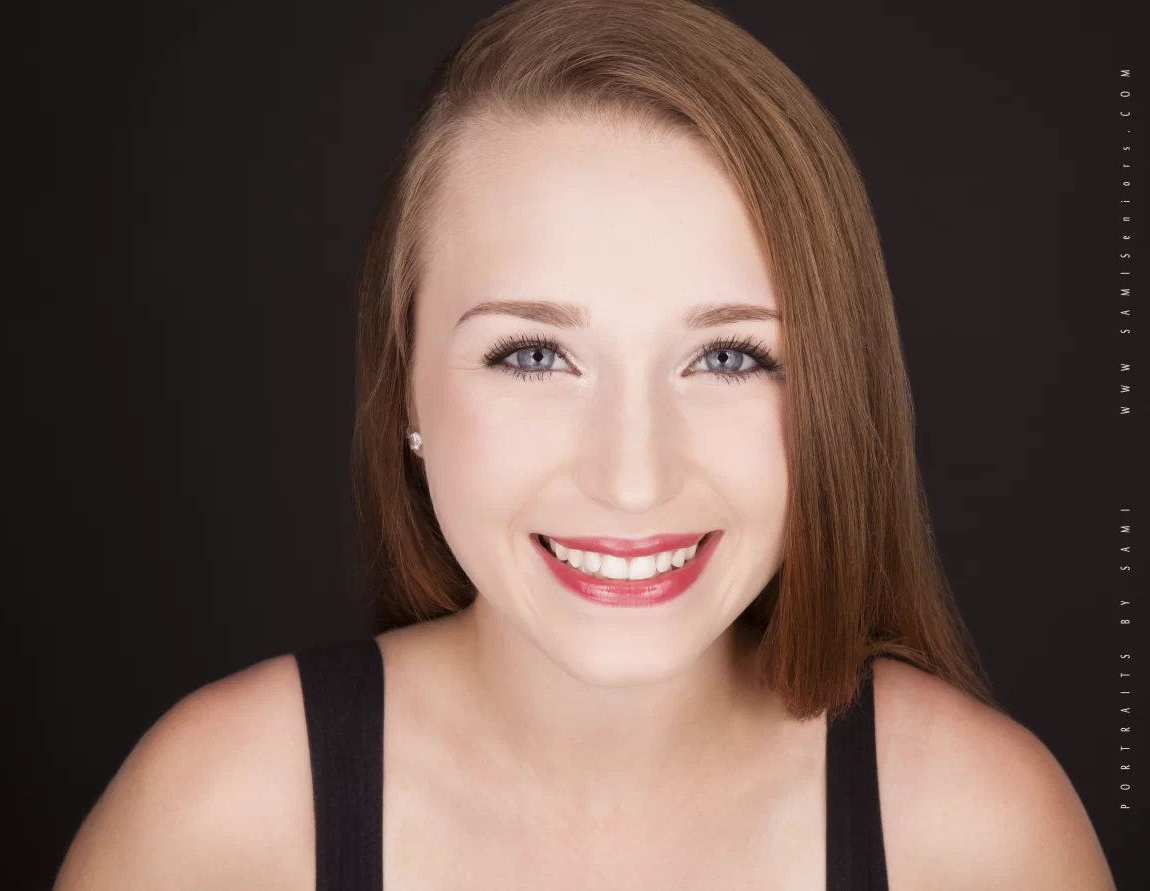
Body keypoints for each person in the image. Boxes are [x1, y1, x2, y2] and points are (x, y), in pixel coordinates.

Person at [54, 1, 1117, 887]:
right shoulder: (223, 817)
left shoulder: (972, 835)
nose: (631, 476)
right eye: (530, 356)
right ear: (404, 383)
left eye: (730, 358)